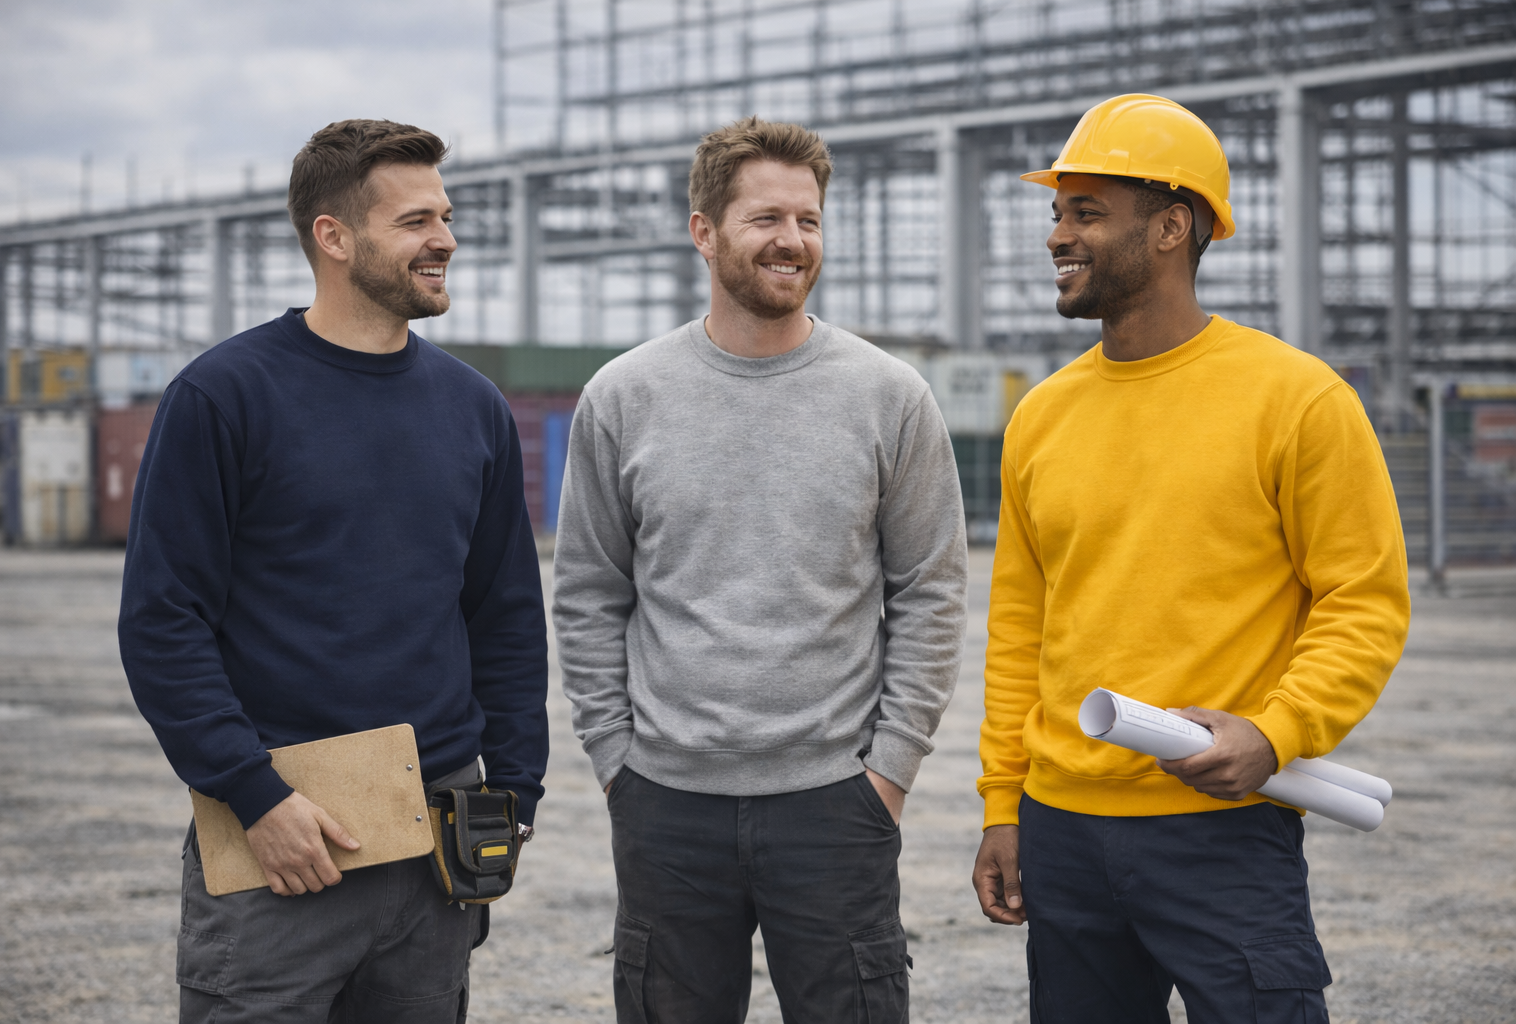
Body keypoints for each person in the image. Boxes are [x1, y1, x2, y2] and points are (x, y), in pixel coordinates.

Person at [970, 94, 1411, 1022]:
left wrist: (1279, 729)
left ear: (1173, 226)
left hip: (1224, 830)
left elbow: (1362, 601)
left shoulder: (1295, 401)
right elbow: (1019, 629)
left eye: (1087, 211)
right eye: (1057, 211)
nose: (1058, 234)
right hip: (1063, 831)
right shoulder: (1042, 418)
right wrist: (1003, 808)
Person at [119, 119, 549, 1023]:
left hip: (436, 839)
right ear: (334, 236)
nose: (446, 239)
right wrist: (255, 796)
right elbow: (163, 620)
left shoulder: (473, 408)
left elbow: (504, 614)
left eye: (447, 213)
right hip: (283, 838)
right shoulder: (223, 397)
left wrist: (513, 794)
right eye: (416, 220)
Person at [553, 116, 969, 1023]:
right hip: (664, 803)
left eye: (810, 220)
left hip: (836, 802)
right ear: (703, 231)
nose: (793, 241)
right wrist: (615, 758)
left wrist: (888, 772)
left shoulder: (890, 397)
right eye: (766, 219)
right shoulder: (623, 397)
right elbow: (587, 592)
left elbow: (932, 594)